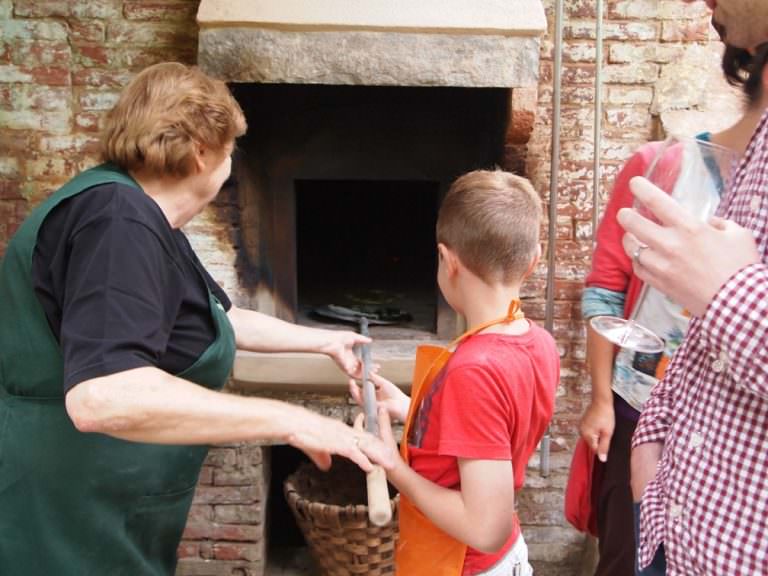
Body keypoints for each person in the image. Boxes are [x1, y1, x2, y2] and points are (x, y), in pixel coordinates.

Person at [0, 62, 392, 576]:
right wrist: (293, 421)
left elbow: (214, 321)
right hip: (65, 514)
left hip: (105, 503)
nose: (231, 163)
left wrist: (321, 342)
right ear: (203, 150)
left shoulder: (138, 214)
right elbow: (103, 395)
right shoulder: (117, 222)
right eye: (231, 150)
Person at [578, 40, 768, 576]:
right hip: (638, 403)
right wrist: (599, 400)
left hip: (727, 474)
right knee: (620, 553)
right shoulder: (661, 164)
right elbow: (604, 290)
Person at [351, 170, 560, 576]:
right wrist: (411, 406)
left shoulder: (474, 370)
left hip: (462, 565)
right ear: (534, 261)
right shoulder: (538, 342)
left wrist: (393, 466)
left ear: (447, 261)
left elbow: (485, 529)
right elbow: (488, 436)